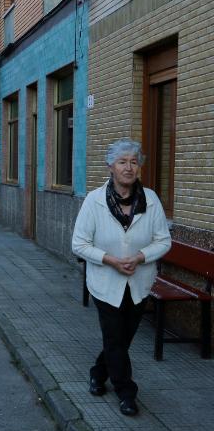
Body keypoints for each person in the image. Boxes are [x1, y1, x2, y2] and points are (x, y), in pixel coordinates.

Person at [72, 139, 171, 416]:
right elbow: (79, 244)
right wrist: (111, 260)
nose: (128, 167)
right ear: (110, 167)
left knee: (122, 339)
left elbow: (163, 241)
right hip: (105, 284)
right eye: (122, 162)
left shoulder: (150, 200)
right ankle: (126, 392)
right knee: (115, 338)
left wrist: (140, 256)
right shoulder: (94, 201)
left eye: (133, 161)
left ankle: (97, 373)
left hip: (139, 283)